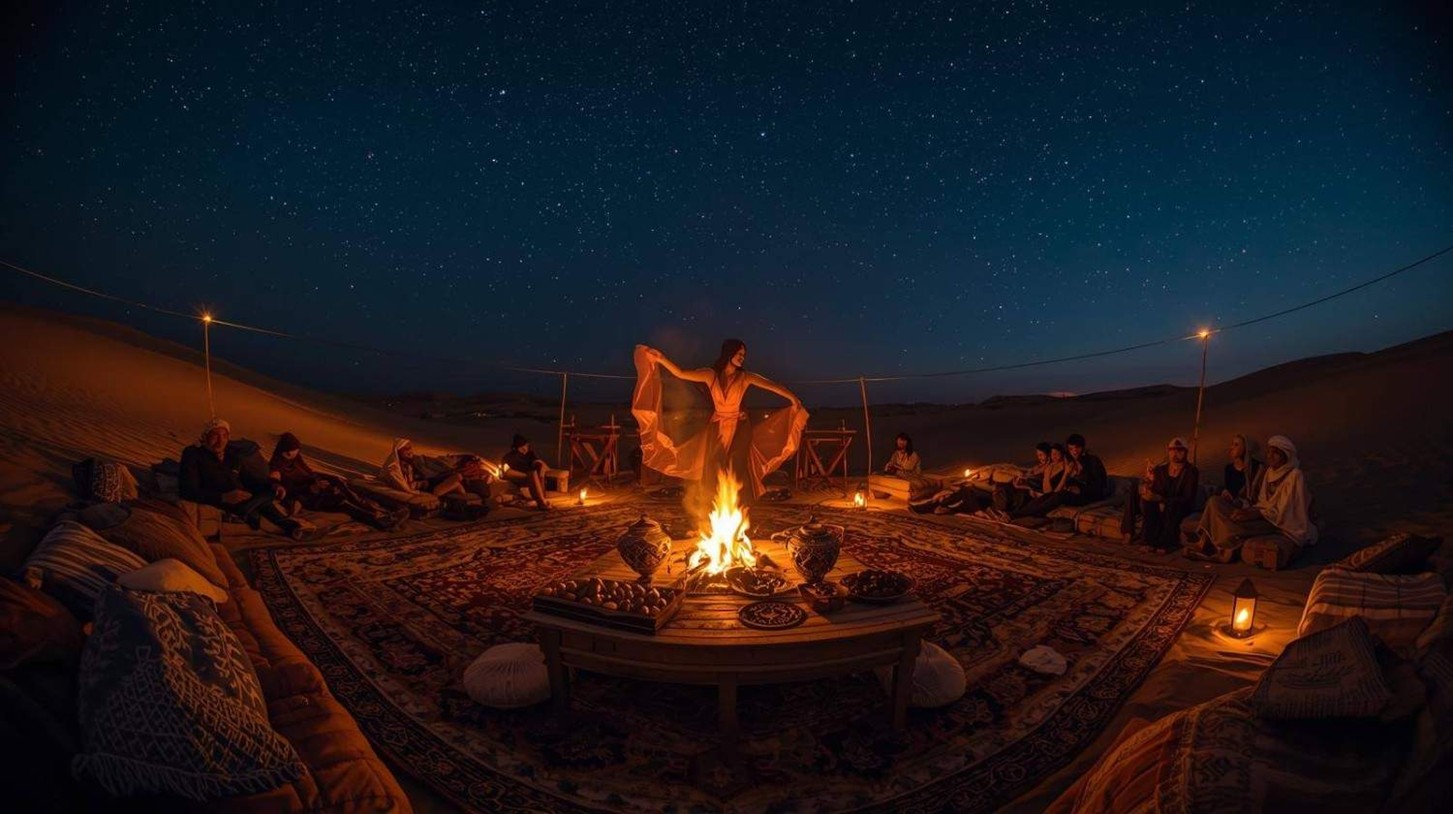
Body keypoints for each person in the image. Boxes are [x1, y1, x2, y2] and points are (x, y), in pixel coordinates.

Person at [634, 339, 808, 504]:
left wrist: (793, 399)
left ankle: (738, 508)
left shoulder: (745, 377)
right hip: (717, 427)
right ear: (729, 353)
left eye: (743, 355)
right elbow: (681, 373)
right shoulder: (711, 376)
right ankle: (712, 508)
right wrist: (661, 359)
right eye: (739, 354)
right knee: (713, 467)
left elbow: (772, 385)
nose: (742, 358)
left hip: (739, 428)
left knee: (736, 467)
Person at [179, 417, 311, 540]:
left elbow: (247, 478)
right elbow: (188, 490)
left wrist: (274, 485)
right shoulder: (193, 454)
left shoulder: (231, 454)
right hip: (221, 496)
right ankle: (255, 513)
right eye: (215, 436)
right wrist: (224, 497)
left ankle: (284, 524)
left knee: (268, 492)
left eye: (224, 436)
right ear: (205, 437)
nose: (220, 441)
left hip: (242, 495)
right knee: (264, 500)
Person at [1191, 435, 1316, 558]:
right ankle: (1213, 542)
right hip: (1260, 512)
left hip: (1279, 523)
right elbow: (1262, 502)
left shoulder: (1294, 475)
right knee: (1214, 501)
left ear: (1285, 455)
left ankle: (1223, 549)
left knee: (1233, 527)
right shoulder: (1269, 472)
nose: (1270, 456)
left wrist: (1254, 513)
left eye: (1275, 453)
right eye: (1269, 452)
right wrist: (1248, 511)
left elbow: (1285, 511)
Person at [269, 433, 408, 530]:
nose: (294, 455)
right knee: (342, 502)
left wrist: (325, 479)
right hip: (308, 496)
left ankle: (377, 511)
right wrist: (311, 487)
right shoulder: (276, 466)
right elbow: (285, 488)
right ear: (284, 451)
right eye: (291, 452)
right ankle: (381, 522)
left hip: (318, 488)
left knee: (340, 485)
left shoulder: (297, 460)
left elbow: (311, 473)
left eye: (295, 451)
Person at [1122, 437, 1200, 552]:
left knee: (1170, 506)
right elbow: (1155, 489)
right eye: (1172, 450)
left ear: (1186, 452)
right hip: (1159, 502)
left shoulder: (1191, 472)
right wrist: (1148, 485)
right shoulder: (1161, 470)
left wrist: (1163, 500)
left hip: (1178, 505)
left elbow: (1187, 498)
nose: (1175, 453)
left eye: (1179, 450)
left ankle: (1165, 544)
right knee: (1144, 498)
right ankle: (1141, 538)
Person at [1001, 443, 1074, 520]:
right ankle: (1011, 512)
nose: (1054, 456)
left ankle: (1013, 514)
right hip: (1044, 492)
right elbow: (1033, 475)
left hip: (1050, 493)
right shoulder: (1051, 466)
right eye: (1052, 454)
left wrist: (1048, 473)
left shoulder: (1062, 468)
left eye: (1057, 454)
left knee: (1034, 505)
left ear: (1062, 454)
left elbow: (1048, 490)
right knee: (1014, 489)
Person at [380, 438, 466, 498]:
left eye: (410, 448)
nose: (409, 451)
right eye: (405, 449)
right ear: (398, 451)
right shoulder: (399, 466)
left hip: (430, 481)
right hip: (429, 486)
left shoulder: (411, 461)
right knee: (457, 479)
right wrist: (421, 483)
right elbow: (408, 485)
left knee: (457, 480)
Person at [991, 442, 1053, 516]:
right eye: (1038, 455)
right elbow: (1028, 474)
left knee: (1006, 489)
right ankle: (1000, 510)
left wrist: (1022, 484)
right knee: (1000, 485)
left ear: (1048, 454)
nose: (1039, 457)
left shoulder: (1050, 467)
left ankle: (1003, 511)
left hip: (1028, 490)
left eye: (1041, 455)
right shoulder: (1038, 466)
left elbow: (1038, 484)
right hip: (1023, 485)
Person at [501, 434, 552, 511]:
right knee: (531, 474)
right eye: (526, 445)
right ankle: (541, 501)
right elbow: (505, 470)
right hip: (518, 476)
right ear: (521, 447)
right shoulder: (510, 456)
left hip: (530, 475)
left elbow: (539, 464)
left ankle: (541, 499)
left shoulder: (530, 454)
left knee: (534, 473)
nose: (527, 447)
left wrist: (538, 464)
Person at [1063, 433, 1109, 506]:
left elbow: (1101, 484)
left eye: (1077, 448)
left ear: (1082, 447)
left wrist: (1081, 490)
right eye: (1071, 449)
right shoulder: (1070, 463)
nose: (1074, 452)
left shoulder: (1093, 461)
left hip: (1093, 495)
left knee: (1060, 497)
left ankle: (1038, 512)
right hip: (1077, 495)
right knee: (1057, 495)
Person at [1220, 433, 1265, 507]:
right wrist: (1226, 493)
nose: (1231, 447)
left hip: (1248, 506)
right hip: (1233, 504)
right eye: (1232, 444)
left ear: (1245, 448)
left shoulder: (1257, 467)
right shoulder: (1228, 469)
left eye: (1236, 445)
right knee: (1213, 501)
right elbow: (1228, 490)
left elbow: (1257, 492)